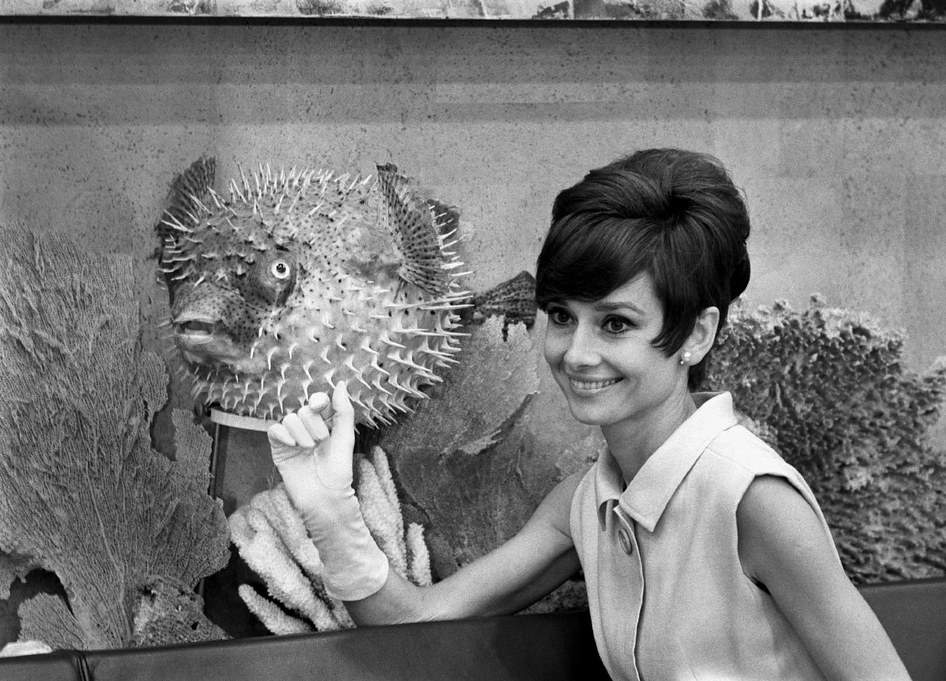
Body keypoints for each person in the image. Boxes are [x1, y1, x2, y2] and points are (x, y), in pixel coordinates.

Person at [267, 148, 912, 680]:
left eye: (615, 323)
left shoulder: (756, 499)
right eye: (561, 316)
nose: (576, 353)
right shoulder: (586, 503)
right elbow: (413, 624)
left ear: (696, 334)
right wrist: (331, 513)